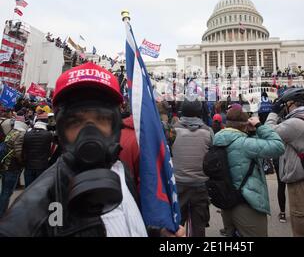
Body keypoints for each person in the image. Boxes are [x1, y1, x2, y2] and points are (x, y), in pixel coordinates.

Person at [0, 62, 183, 237]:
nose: (90, 135)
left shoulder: (121, 171)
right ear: (61, 130)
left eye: (101, 119)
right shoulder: (26, 219)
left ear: (116, 125)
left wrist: (158, 233)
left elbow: (128, 225)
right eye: (76, 121)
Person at [213, 107, 285, 236]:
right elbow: (278, 147)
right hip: (247, 203)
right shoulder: (245, 144)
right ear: (245, 124)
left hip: (226, 201)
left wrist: (251, 133)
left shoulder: (218, 140)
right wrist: (259, 126)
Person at [266, 88, 304, 237]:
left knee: (303, 228)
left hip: (300, 183)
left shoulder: (295, 123)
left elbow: (267, 133)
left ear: (292, 103)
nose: (284, 106)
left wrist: (273, 113)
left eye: (285, 103)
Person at [172, 99, 214, 237]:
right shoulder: (208, 131)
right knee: (199, 226)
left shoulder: (173, 130)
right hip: (201, 185)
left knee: (176, 226)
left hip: (178, 184)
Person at [0, 117, 28, 217]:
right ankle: (2, 214)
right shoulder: (19, 135)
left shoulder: (10, 134)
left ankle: (2, 211)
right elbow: (18, 151)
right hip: (12, 167)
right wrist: (22, 161)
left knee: (4, 191)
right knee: (7, 192)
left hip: (5, 166)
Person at [22, 120, 53, 187]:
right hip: (42, 165)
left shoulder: (27, 134)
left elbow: (24, 149)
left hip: (29, 165)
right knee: (40, 187)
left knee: (28, 188)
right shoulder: (48, 134)